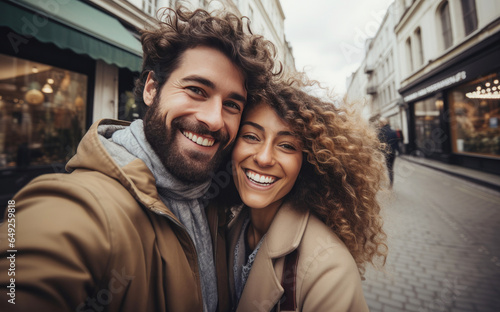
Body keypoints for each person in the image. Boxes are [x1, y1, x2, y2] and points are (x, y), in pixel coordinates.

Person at [0, 7, 277, 312]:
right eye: (196, 90)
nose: (213, 120)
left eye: (232, 105)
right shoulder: (82, 206)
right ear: (151, 89)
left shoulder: (219, 203)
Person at [218, 79, 388, 311]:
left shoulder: (328, 269)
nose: (264, 158)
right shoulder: (226, 226)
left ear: (307, 163)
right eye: (251, 137)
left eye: (287, 145)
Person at [378, 117, 399, 187]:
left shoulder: (380, 132)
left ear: (382, 124)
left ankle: (380, 182)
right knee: (390, 168)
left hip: (383, 153)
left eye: (379, 123)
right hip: (392, 153)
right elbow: (396, 143)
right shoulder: (394, 132)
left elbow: (378, 143)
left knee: (381, 167)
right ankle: (391, 183)